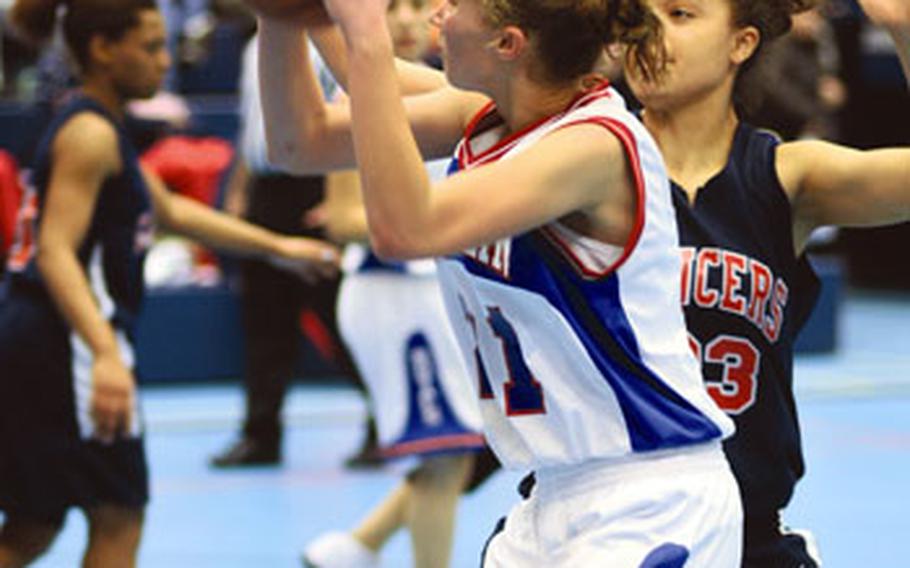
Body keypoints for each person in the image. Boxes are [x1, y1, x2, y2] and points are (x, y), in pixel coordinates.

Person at [255, 0, 743, 565]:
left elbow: (406, 229)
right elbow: (301, 141)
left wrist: (365, 31)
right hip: (550, 496)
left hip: (648, 495)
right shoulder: (484, 113)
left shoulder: (594, 145)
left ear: (508, 44)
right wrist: (283, 17)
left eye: (457, 4)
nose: (439, 11)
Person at [0, 1, 338, 566]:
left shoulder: (97, 124)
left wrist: (280, 249)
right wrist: (105, 352)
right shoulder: (90, 135)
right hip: (67, 346)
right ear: (105, 50)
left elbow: (173, 212)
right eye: (151, 46)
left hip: (43, 341)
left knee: (37, 519)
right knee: (117, 513)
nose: (164, 61)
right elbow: (57, 251)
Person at [622, 0, 910, 565]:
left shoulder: (784, 178)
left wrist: (903, 29)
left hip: (744, 536)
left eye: (680, 14)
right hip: (603, 529)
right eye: (638, 14)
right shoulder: (581, 159)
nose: (650, 33)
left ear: (742, 43)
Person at [300, 2, 488, 566]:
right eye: (393, 7)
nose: (407, 19)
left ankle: (356, 547)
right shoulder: (354, 98)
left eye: (416, 6)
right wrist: (440, 220)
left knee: (470, 452)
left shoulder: (454, 91)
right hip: (396, 296)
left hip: (445, 294)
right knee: (445, 458)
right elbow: (342, 218)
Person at [210, 26, 373, 469]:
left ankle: (385, 420)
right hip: (267, 187)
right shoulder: (253, 46)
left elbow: (349, 117)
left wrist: (337, 196)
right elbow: (254, 126)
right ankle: (261, 433)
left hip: (316, 187)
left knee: (336, 312)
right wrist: (241, 190)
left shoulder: (327, 41)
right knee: (262, 318)